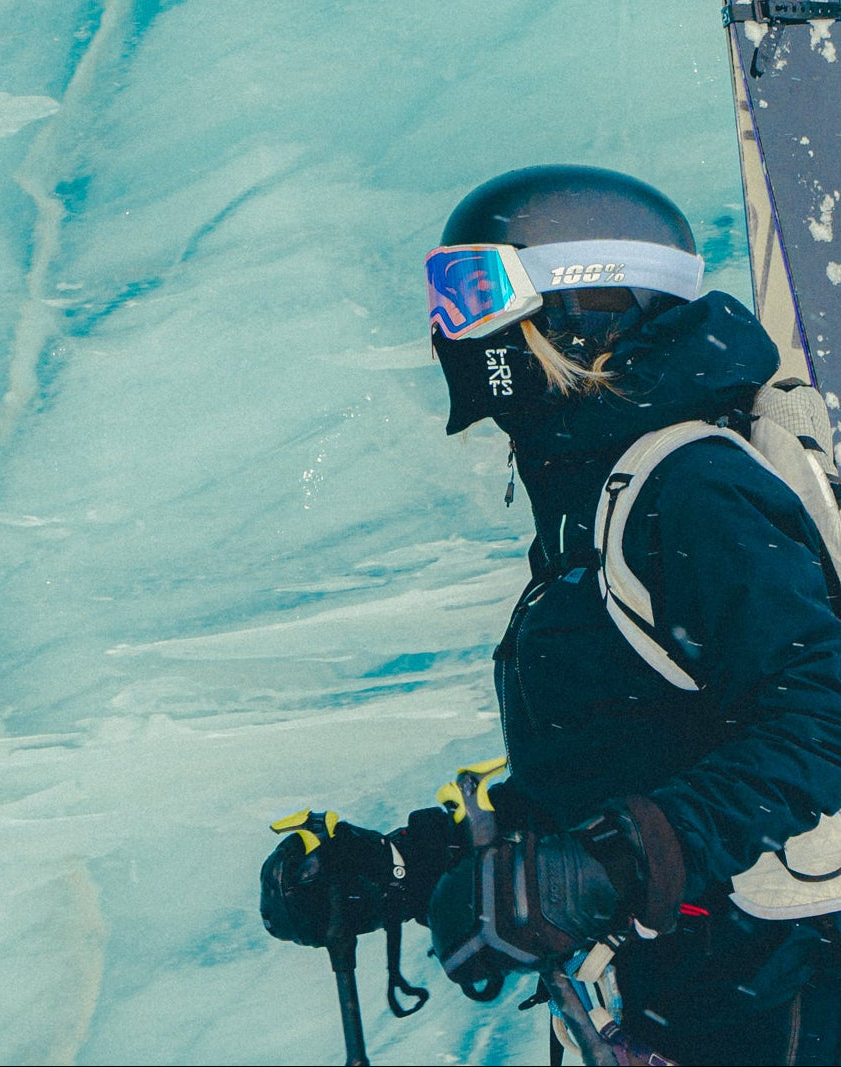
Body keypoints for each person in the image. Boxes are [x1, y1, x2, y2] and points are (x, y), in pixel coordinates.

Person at [262, 166, 841, 1066]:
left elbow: (825, 713)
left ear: (588, 303)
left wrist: (611, 864)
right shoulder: (595, 495)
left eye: (477, 292)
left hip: (789, 997)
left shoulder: (689, 488)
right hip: (710, 993)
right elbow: (625, 749)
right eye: (446, 296)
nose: (456, 327)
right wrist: (413, 867)